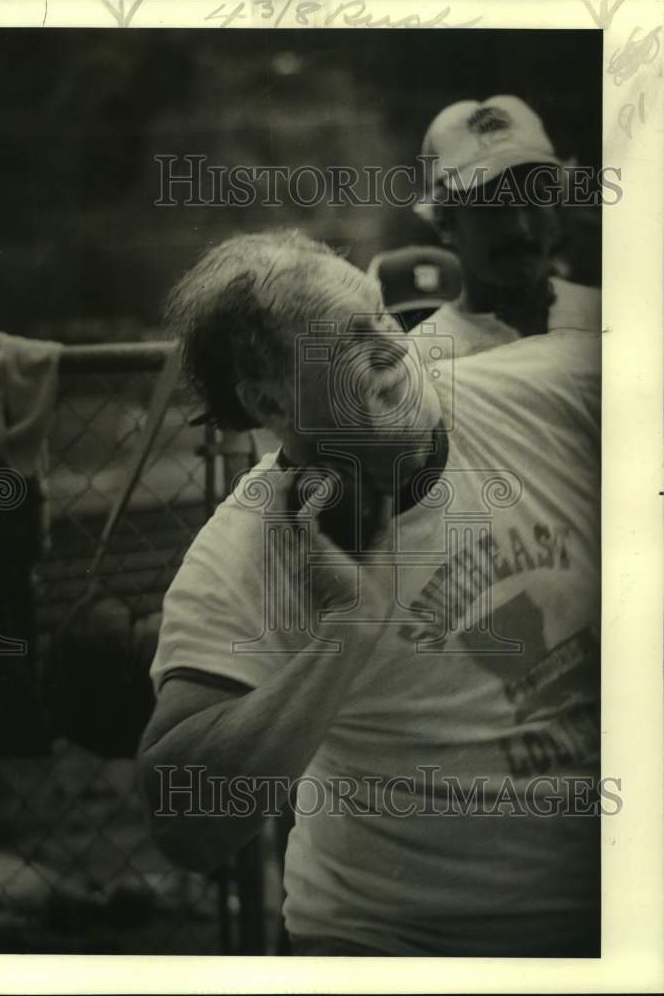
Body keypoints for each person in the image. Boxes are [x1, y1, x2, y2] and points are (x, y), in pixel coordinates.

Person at [137, 230, 601, 957]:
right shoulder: (255, 545)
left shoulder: (544, 392)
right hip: (396, 949)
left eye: (380, 317)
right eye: (346, 340)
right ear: (272, 400)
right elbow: (184, 822)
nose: (391, 347)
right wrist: (348, 631)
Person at [410, 95, 600, 357]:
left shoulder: (606, 318)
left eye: (536, 198)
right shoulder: (422, 360)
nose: (520, 229)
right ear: (445, 222)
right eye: (492, 207)